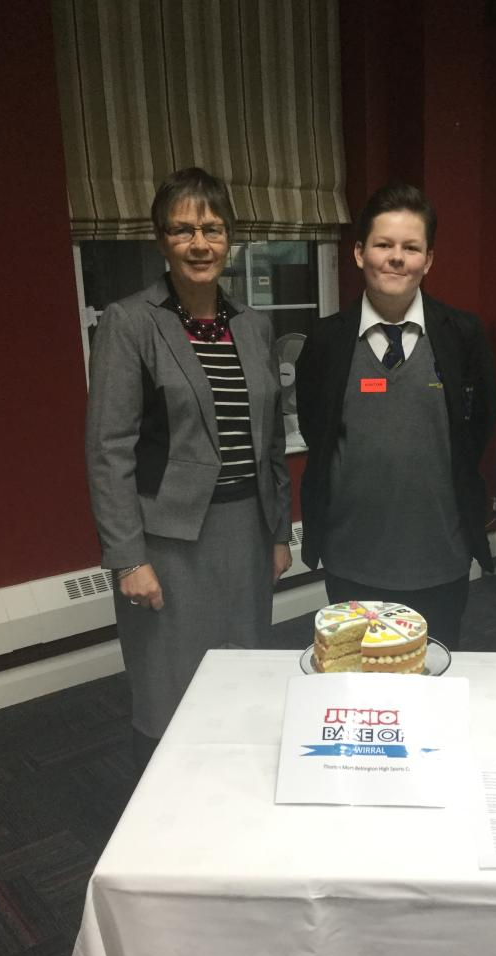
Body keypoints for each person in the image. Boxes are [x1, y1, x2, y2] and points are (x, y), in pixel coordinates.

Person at [86, 167, 292, 772]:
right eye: (183, 230)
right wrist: (128, 558)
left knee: (245, 680)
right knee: (168, 694)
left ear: (230, 239)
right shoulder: (130, 323)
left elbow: (271, 440)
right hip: (167, 545)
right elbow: (109, 449)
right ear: (161, 241)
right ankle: (161, 834)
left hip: (246, 533)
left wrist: (278, 532)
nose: (200, 243)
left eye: (212, 228)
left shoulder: (253, 326)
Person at [296, 183, 496, 649]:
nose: (396, 258)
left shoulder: (462, 334)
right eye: (384, 245)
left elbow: (478, 427)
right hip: (351, 560)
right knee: (359, 683)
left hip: (439, 559)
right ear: (360, 253)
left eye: (411, 247)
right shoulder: (326, 341)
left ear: (429, 260)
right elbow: (316, 431)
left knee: (430, 682)